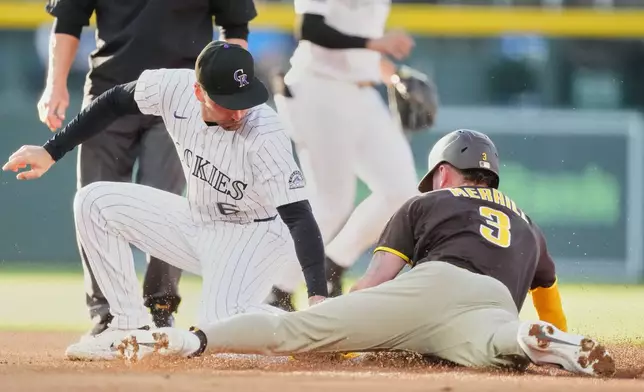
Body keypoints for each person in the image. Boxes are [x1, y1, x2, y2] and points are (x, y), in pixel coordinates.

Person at [116, 129, 616, 378]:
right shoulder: (529, 224)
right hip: (496, 308)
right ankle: (537, 342)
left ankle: (190, 341)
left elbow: (379, 278)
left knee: (294, 332)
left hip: (433, 286)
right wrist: (552, 324)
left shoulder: (429, 200)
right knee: (497, 350)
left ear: (443, 172)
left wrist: (345, 328)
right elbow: (549, 297)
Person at [3, 41, 328, 361]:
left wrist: (317, 296)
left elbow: (299, 216)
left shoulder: (265, 130)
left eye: (244, 98)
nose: (240, 111)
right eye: (228, 102)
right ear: (199, 92)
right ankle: (125, 327)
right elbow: (115, 100)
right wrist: (51, 150)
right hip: (197, 220)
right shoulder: (173, 87)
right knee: (93, 201)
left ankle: (313, 331)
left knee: (217, 333)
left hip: (253, 237)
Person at [38, 0, 257, 336]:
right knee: (94, 201)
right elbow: (67, 21)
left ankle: (160, 308)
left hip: (182, 95)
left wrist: (231, 94)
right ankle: (110, 315)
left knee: (164, 202)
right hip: (108, 91)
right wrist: (56, 84)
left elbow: (235, 28)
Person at [265, 0, 422, 309]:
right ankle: (277, 292)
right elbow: (309, 28)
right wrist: (376, 43)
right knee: (332, 202)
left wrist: (391, 75)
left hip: (361, 91)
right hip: (318, 88)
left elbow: (357, 44)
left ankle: (332, 264)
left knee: (402, 192)